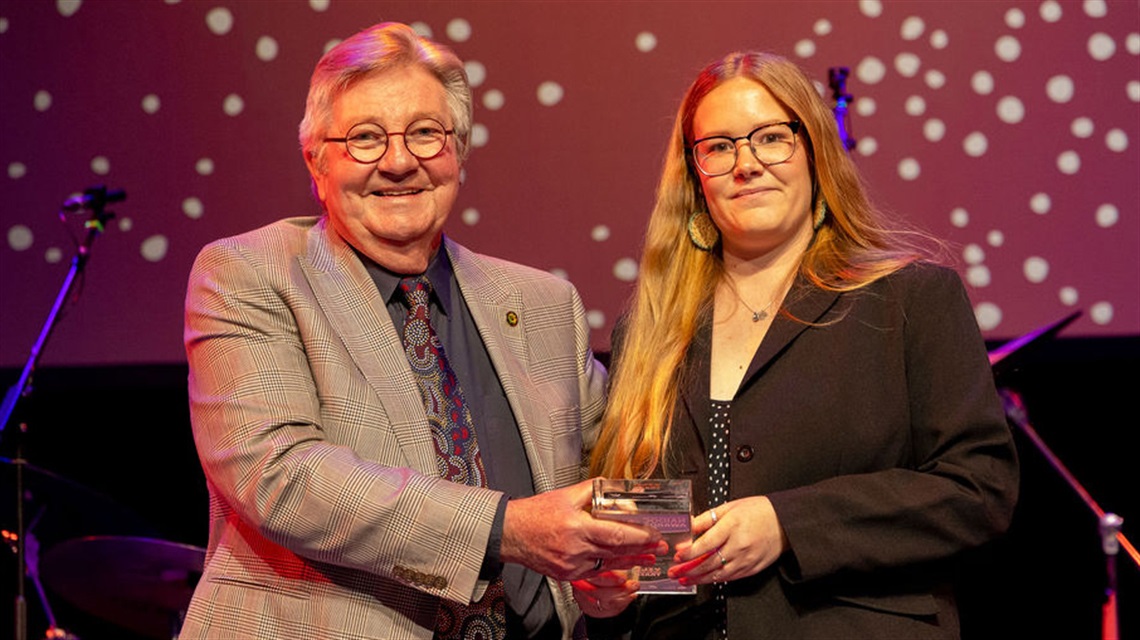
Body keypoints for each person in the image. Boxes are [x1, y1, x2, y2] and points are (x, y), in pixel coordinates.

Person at [180, 22, 663, 640]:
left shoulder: (543, 303)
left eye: (426, 134)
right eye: (365, 138)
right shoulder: (250, 274)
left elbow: (618, 468)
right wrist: (506, 529)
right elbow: (279, 475)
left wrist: (633, 569)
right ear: (316, 160)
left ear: (459, 151)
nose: (400, 161)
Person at [573, 51, 1020, 639]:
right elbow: (657, 542)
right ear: (694, 173)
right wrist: (613, 591)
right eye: (719, 146)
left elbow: (977, 487)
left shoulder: (909, 300)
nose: (747, 164)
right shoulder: (650, 332)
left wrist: (788, 524)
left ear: (813, 150)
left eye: (770, 137)